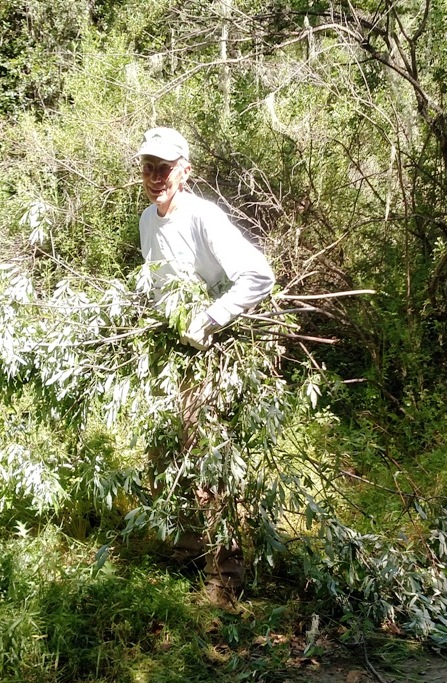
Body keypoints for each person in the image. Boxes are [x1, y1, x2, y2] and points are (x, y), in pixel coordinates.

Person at [135, 126, 275, 608]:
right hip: (168, 356)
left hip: (211, 354)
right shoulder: (147, 221)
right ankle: (188, 550)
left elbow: (258, 274)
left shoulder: (203, 216)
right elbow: (158, 284)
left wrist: (209, 319)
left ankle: (227, 575)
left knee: (207, 459)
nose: (156, 177)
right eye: (149, 167)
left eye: (165, 168)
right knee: (165, 454)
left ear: (185, 171)